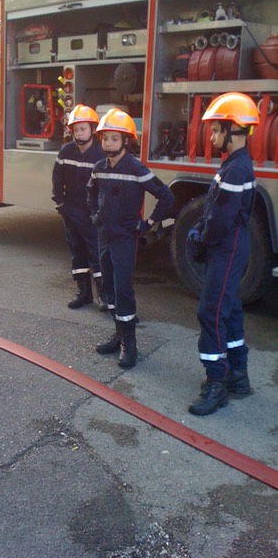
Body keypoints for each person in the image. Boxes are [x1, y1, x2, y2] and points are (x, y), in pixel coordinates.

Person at [187, 92, 259, 416]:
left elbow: (220, 220)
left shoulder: (236, 170)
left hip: (226, 248)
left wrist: (201, 239)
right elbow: (214, 210)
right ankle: (238, 376)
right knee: (228, 309)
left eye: (217, 130)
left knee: (211, 311)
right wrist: (201, 229)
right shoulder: (234, 165)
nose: (212, 137)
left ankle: (217, 383)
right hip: (230, 246)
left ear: (234, 130)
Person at [87, 108, 174, 368]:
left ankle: (129, 343)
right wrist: (95, 215)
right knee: (109, 286)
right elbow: (90, 193)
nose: (108, 143)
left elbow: (166, 197)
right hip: (105, 236)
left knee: (123, 289)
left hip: (125, 238)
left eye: (114, 138)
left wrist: (148, 224)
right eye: (105, 138)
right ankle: (118, 335)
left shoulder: (136, 168)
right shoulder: (99, 168)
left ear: (126, 141)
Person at [52, 104, 107, 310]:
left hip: (92, 214)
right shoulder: (66, 151)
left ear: (93, 129)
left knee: (96, 254)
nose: (79, 133)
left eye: (83, 129)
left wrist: (101, 212)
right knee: (77, 253)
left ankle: (104, 295)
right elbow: (57, 179)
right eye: (75, 129)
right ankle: (84, 294)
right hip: (71, 211)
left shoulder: (101, 154)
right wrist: (60, 203)